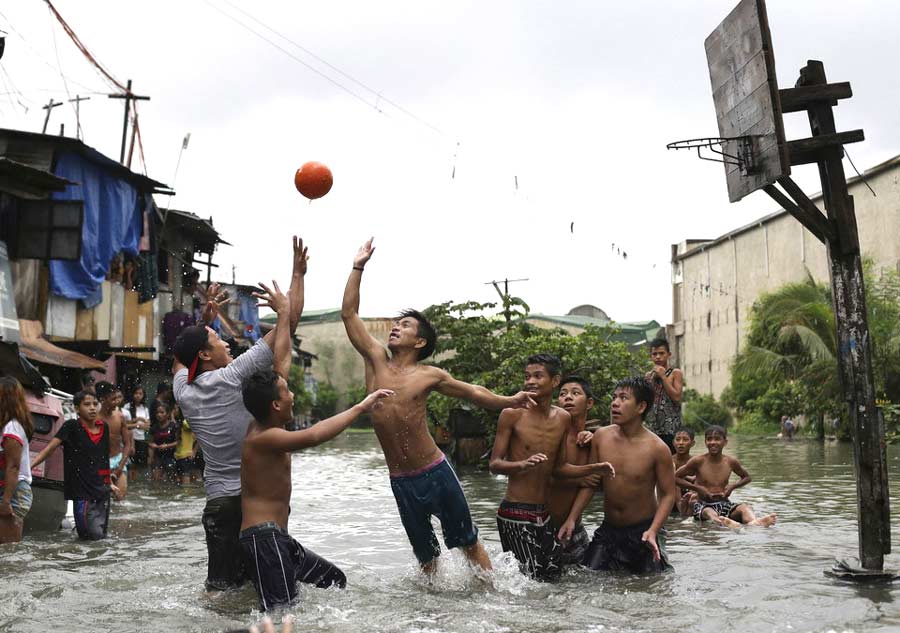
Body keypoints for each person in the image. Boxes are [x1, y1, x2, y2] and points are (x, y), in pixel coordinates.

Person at [341, 238, 536, 574]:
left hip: (434, 473)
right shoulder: (376, 360)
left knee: (469, 543)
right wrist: (358, 266)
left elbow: (473, 392)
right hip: (401, 480)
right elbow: (349, 313)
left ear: (420, 341)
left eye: (404, 326)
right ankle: (433, 614)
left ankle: (492, 597)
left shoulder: (429, 374)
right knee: (426, 558)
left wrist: (510, 400)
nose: (395, 327)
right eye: (395, 324)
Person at [238, 286, 394, 610]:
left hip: (279, 538)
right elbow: (314, 436)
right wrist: (360, 406)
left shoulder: (270, 418)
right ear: (275, 405)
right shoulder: (263, 437)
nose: (293, 395)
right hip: (264, 539)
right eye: (287, 393)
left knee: (334, 581)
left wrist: (284, 313)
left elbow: (282, 356)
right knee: (282, 614)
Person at [173, 236, 306, 591]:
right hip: (254, 501)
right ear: (204, 355)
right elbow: (287, 328)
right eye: (218, 340)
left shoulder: (182, 391)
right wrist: (297, 277)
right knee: (262, 590)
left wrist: (203, 322)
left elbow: (180, 359)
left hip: (217, 503)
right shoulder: (233, 376)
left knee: (218, 590)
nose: (227, 342)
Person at [490, 358, 613, 581]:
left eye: (538, 376)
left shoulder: (563, 419)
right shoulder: (511, 414)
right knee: (530, 582)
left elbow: (559, 469)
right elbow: (494, 464)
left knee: (553, 579)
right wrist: (521, 465)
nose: (531, 382)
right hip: (516, 512)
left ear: (554, 380)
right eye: (527, 377)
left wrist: (594, 468)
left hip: (543, 515)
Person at [559, 376, 677, 573]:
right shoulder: (601, 437)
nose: (615, 403)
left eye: (623, 398)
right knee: (587, 577)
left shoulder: (658, 448)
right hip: (609, 530)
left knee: (654, 583)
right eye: (614, 398)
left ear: (641, 407)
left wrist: (654, 530)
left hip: (643, 529)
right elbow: (592, 481)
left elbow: (668, 494)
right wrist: (572, 518)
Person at [31, 391, 112, 540]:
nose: (92, 408)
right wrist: (28, 467)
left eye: (95, 404)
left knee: (101, 538)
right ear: (76, 409)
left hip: (102, 492)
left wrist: (111, 484)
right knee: (88, 538)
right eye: (87, 404)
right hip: (82, 495)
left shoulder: (104, 428)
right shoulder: (71, 426)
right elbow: (50, 449)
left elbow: (103, 458)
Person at [675, 425, 777, 528]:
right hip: (703, 504)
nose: (713, 442)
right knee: (709, 513)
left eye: (717, 439)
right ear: (705, 442)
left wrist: (732, 487)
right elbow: (675, 477)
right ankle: (724, 522)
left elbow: (747, 478)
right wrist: (698, 489)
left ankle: (754, 522)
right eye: (709, 439)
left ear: (725, 442)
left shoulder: (730, 462)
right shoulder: (698, 461)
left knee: (744, 508)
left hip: (724, 503)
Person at [548, 375, 602, 565]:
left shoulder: (591, 441)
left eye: (575, 393)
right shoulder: (551, 436)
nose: (568, 397)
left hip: (574, 526)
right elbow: (539, 478)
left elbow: (592, 483)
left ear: (589, 403)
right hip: (544, 525)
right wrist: (578, 479)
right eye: (563, 394)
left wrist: (571, 519)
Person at [0, 377, 34, 543]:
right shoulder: (8, 426)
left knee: (8, 549)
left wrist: (6, 502)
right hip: (10, 491)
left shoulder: (12, 427)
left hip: (13, 493)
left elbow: (13, 467)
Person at [643, 338, 683, 453]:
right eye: (654, 354)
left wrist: (663, 377)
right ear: (651, 356)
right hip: (652, 428)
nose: (658, 357)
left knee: (671, 461)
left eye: (661, 353)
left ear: (668, 354)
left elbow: (677, 398)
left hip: (671, 428)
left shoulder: (675, 373)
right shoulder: (648, 376)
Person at [95, 382, 132, 500]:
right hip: (99, 463)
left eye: (117, 398)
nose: (117, 402)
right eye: (113, 399)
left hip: (118, 461)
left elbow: (127, 444)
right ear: (103, 399)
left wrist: (120, 467)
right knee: (100, 500)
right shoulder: (94, 418)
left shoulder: (120, 417)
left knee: (120, 499)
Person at [123, 386, 151, 479]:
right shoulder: (127, 407)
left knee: (140, 465)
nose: (138, 396)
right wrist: (138, 423)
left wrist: (142, 424)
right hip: (130, 438)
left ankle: (137, 485)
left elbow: (147, 425)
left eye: (140, 394)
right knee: (131, 464)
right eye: (136, 393)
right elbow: (124, 425)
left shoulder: (145, 408)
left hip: (142, 439)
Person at [149, 402, 178, 482]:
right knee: (156, 481)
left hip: (171, 457)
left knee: (171, 482)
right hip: (158, 457)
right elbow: (150, 442)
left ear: (168, 414)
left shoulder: (173, 426)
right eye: (157, 412)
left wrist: (167, 446)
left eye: (162, 412)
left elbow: (178, 442)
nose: (159, 415)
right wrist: (153, 445)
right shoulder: (154, 427)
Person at [672, 427, 697, 516]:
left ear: (692, 443)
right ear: (673, 443)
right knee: (674, 481)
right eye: (678, 439)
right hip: (672, 498)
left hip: (692, 495)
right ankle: (681, 510)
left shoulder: (696, 461)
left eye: (685, 439)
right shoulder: (669, 461)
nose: (681, 443)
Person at [174, 407, 198, 485]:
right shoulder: (179, 423)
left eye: (175, 409)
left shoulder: (185, 423)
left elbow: (199, 435)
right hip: (178, 456)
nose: (174, 411)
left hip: (186, 456)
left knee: (186, 484)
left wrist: (194, 451)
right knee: (181, 483)